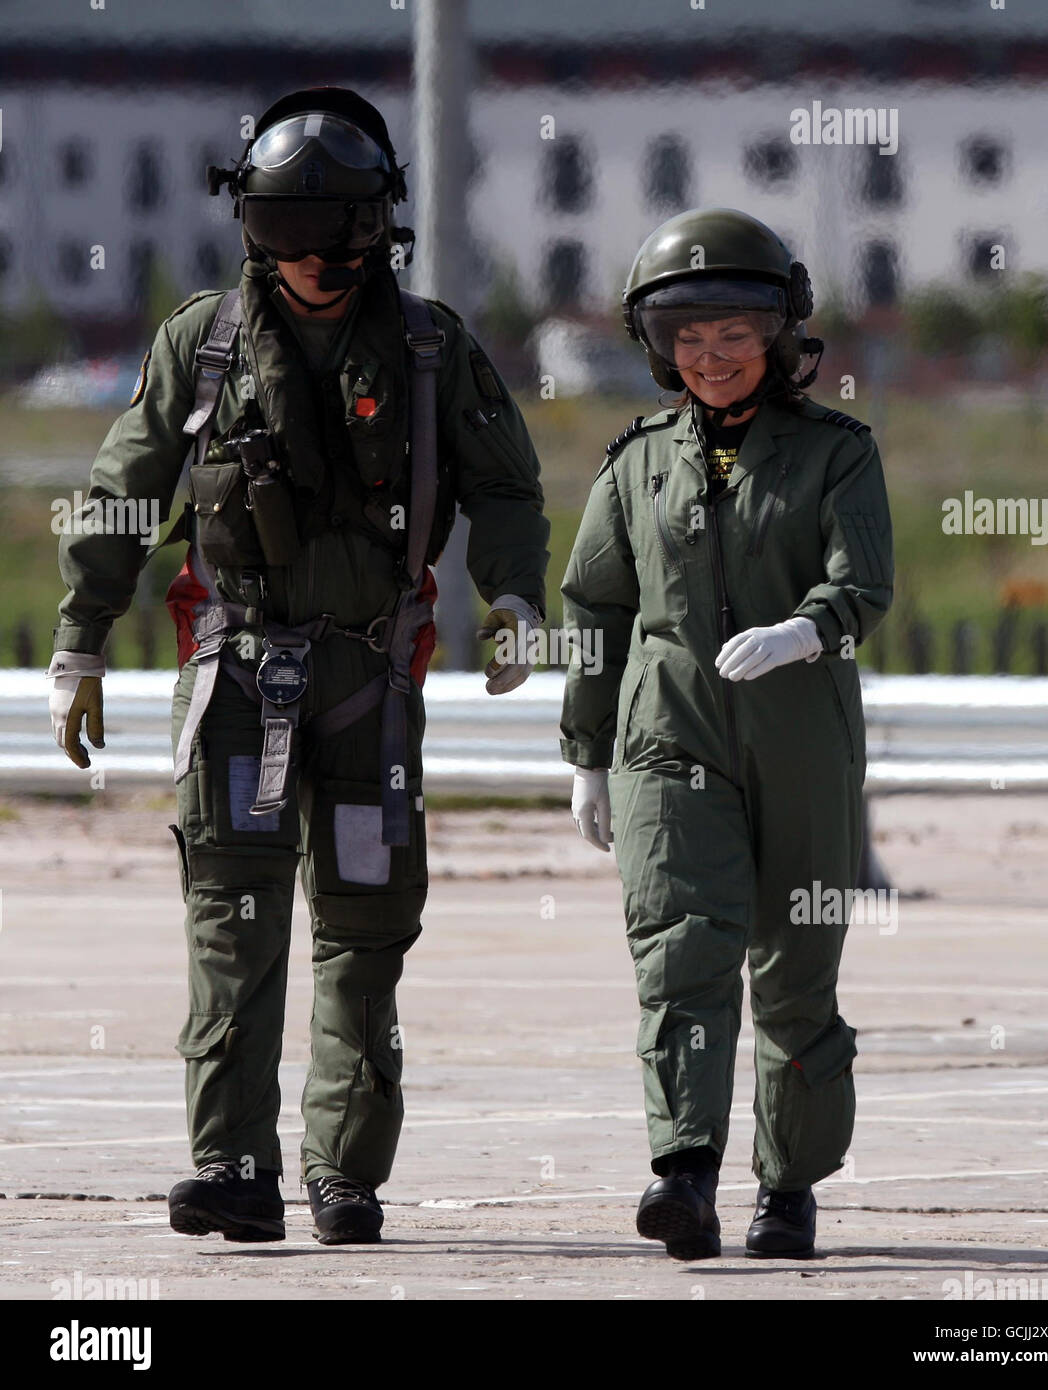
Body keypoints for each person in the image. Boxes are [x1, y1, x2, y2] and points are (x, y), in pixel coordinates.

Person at [49, 87, 549, 1246]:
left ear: (384, 229)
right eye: (285, 232)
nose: (317, 259)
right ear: (249, 230)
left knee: (365, 933)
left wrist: (513, 592)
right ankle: (233, 1164)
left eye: (341, 232)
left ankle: (347, 1174)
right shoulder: (202, 342)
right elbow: (123, 487)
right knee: (233, 924)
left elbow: (506, 482)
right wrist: (82, 635)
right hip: (234, 682)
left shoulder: (430, 348)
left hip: (370, 686)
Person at [560, 207, 893, 1260]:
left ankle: (788, 1189)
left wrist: (808, 629)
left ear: (781, 338)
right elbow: (594, 608)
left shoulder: (839, 454)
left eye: (733, 335)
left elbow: (865, 577)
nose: (708, 357)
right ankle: (686, 1175)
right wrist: (586, 752)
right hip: (668, 738)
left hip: (804, 743)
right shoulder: (634, 464)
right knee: (680, 954)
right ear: (659, 347)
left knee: (797, 973)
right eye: (687, 337)